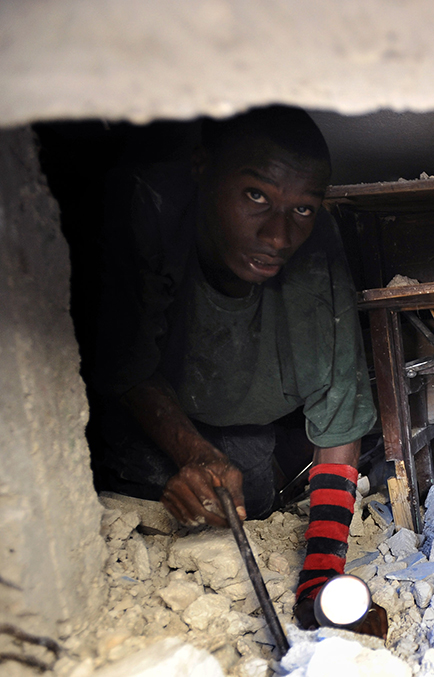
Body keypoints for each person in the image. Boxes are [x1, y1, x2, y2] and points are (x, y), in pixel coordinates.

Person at [93, 105, 379, 631]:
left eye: (303, 210)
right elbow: (121, 359)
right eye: (256, 196)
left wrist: (320, 580)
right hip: (151, 414)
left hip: (243, 421)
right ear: (202, 168)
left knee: (247, 490)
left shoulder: (318, 259)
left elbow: (340, 422)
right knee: (148, 495)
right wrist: (193, 452)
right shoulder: (149, 210)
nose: (277, 236)